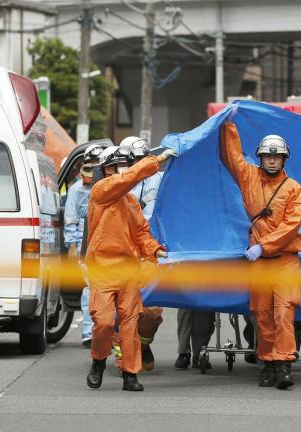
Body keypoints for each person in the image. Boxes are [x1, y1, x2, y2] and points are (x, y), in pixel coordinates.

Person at [219, 119, 301, 390]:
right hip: (259, 263)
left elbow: (291, 227)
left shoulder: (295, 189)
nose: (271, 160)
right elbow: (231, 156)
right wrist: (227, 125)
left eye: (276, 156)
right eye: (267, 156)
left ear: (284, 160)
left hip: (284, 261)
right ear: (260, 157)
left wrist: (263, 246)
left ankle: (283, 365)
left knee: (284, 313)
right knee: (262, 315)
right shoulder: (248, 177)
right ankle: (267, 363)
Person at [85, 145, 176, 391]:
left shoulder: (131, 202)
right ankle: (98, 360)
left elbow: (141, 233)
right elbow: (127, 179)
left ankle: (130, 374)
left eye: (124, 165)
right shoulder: (100, 192)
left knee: (129, 324)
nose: (122, 170)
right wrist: (153, 161)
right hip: (103, 269)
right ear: (106, 170)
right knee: (103, 322)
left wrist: (153, 249)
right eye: (117, 166)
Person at [117, 136, 166, 372]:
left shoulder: (163, 180)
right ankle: (124, 360)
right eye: (131, 160)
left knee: (152, 311)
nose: (135, 163)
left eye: (140, 159)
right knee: (122, 308)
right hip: (123, 251)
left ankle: (143, 345)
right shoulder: (118, 181)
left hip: (151, 250)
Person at [64, 144, 105, 347]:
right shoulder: (76, 190)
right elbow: (71, 218)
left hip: (109, 245)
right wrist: (72, 245)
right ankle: (89, 333)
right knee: (90, 288)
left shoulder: (112, 185)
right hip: (86, 246)